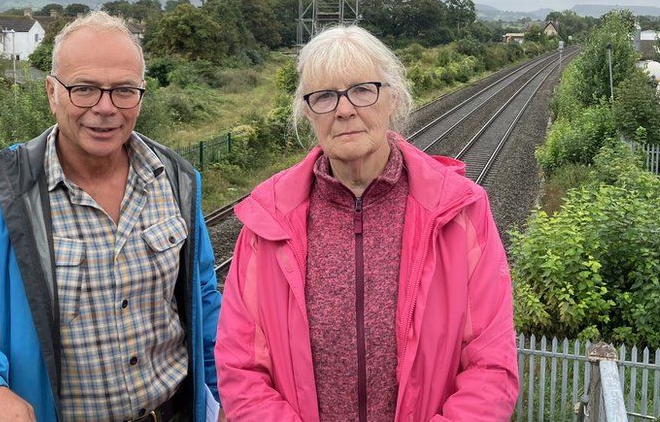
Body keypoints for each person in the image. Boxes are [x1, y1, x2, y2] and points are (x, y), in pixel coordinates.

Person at [0, 11, 222, 421]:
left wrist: (229, 397)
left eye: (123, 91)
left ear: (141, 94)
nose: (105, 108)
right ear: (51, 92)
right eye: (83, 89)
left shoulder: (177, 180)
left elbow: (204, 303)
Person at [215, 25, 518, 421]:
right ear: (307, 112)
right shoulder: (267, 220)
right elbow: (241, 368)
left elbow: (490, 364)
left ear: (392, 98)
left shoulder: (461, 211)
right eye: (324, 96)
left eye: (362, 90)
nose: (344, 110)